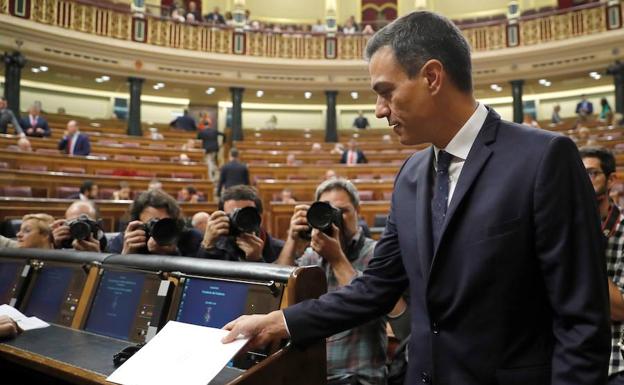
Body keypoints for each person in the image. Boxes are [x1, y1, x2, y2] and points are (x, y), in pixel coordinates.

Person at [222, 11, 610, 385]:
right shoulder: (410, 175)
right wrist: (278, 322)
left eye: (385, 92)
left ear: (432, 77)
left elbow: (581, 321)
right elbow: (374, 288)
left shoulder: (543, 158)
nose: (378, 110)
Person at [276, 179, 393, 384]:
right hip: (314, 373)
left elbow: (371, 304)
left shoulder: (376, 253)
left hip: (357, 376)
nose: (336, 218)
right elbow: (280, 292)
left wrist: (336, 258)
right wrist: (292, 239)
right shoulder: (312, 255)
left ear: (358, 211)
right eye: (328, 212)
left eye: (343, 211)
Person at [580, 147, 624, 384]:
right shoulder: (561, 230)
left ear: (611, 179)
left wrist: (586, 252)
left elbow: (620, 310)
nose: (583, 180)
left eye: (592, 173)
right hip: (569, 357)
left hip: (615, 362)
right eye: (579, 173)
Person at [199, 185, 283, 263]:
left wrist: (257, 260)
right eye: (233, 215)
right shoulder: (215, 245)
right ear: (222, 216)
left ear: (260, 217)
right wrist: (207, 246)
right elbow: (198, 276)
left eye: (245, 215)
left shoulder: (279, 250)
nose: (240, 220)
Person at [108, 189, 203, 257]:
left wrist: (173, 254)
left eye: (164, 223)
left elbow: (196, 281)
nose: (159, 229)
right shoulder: (126, 241)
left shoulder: (191, 239)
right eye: (152, 224)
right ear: (138, 224)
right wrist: (126, 258)